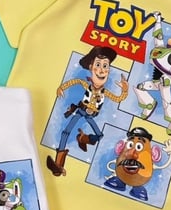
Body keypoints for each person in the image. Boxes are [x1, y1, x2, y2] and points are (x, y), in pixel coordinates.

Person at [47, 45, 128, 176]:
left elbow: (118, 98)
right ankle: (58, 165)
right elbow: (76, 81)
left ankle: (83, 138)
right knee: (65, 132)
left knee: (99, 136)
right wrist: (61, 87)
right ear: (91, 67)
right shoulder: (87, 85)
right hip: (81, 110)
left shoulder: (105, 92)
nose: (101, 70)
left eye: (105, 66)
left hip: (91, 115)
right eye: (98, 65)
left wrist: (124, 90)